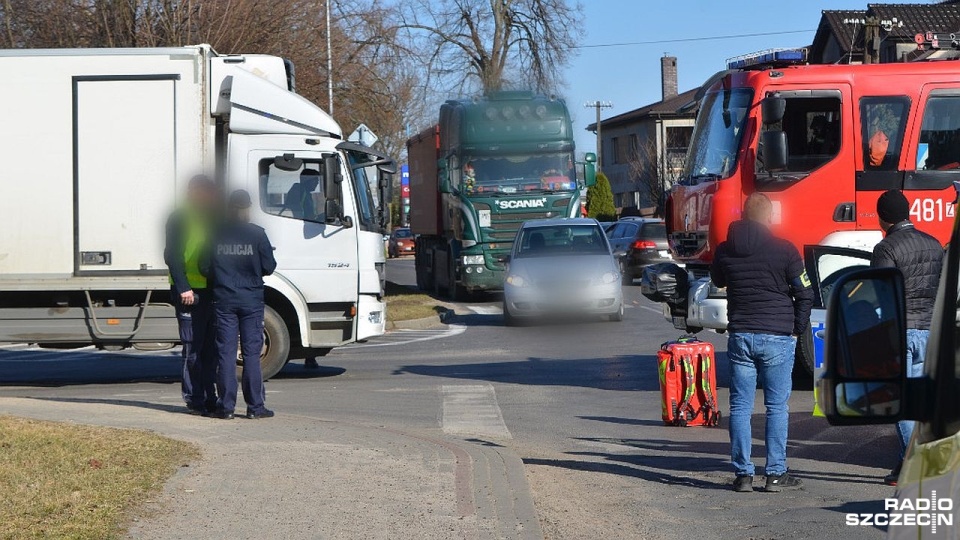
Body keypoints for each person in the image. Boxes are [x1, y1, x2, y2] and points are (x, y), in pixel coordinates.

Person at [710, 193, 814, 493]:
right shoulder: (785, 250)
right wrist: (796, 328)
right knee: (776, 407)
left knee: (740, 406)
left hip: (741, 335)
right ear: (769, 217)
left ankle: (743, 474)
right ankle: (775, 473)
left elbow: (717, 280)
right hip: (777, 336)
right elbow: (805, 292)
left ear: (744, 215)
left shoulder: (725, 249)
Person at [870, 189, 944, 486]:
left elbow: (881, 292)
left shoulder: (886, 248)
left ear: (882, 218)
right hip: (931, 330)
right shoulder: (934, 244)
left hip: (901, 333)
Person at [202, 189, 278, 420]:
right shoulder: (257, 234)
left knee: (225, 354)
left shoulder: (215, 233)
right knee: (251, 354)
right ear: (247, 209)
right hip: (251, 300)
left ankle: (225, 408)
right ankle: (255, 407)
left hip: (224, 299)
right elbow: (269, 266)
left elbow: (204, 267)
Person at [163, 174, 219, 415]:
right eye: (204, 192)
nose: (208, 197)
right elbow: (173, 255)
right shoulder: (180, 217)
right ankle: (194, 398)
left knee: (211, 349)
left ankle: (210, 397)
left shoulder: (213, 216)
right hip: (189, 293)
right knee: (193, 349)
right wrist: (184, 286)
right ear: (194, 191)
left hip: (212, 290)